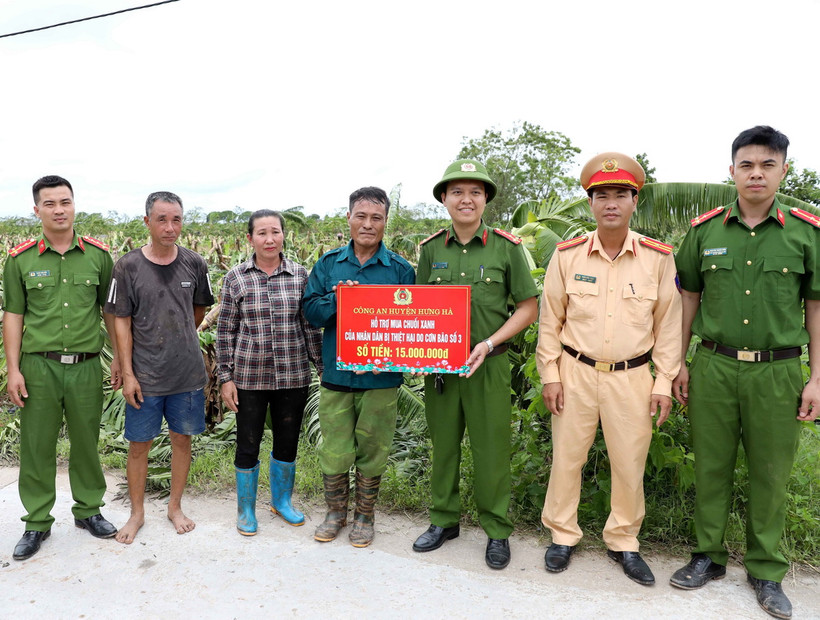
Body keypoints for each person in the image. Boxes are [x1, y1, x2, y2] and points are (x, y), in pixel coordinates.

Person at [670, 126, 819, 619]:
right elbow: (688, 299)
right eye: (747, 165)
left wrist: (817, 378)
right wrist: (678, 362)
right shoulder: (704, 232)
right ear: (731, 170)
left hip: (778, 372)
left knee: (771, 473)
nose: (757, 173)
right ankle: (708, 556)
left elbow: (816, 309)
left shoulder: (806, 233)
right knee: (710, 466)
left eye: (767, 165)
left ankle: (766, 569)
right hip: (713, 365)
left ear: (783, 170)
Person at [535, 153, 681, 585]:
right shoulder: (568, 256)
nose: (611, 203)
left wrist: (664, 381)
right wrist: (550, 375)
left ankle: (623, 540)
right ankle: (562, 534)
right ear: (591, 203)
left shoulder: (657, 258)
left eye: (620, 194)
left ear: (635, 201)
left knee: (629, 461)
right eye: (602, 195)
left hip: (633, 376)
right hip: (574, 371)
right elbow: (550, 320)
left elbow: (669, 325)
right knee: (567, 458)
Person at [412, 159, 539, 570]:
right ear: (444, 199)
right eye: (457, 192)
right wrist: (418, 353)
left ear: (485, 199)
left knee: (491, 450)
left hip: (490, 364)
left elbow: (528, 307)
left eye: (475, 192)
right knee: (444, 446)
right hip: (441, 370)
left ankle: (497, 530)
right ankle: (444, 520)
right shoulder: (431, 250)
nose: (466, 199)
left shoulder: (506, 247)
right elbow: (419, 309)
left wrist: (488, 343)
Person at [4, 175, 121, 561]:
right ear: (36, 210)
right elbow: (13, 315)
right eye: (50, 204)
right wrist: (14, 370)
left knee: (87, 440)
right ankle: (37, 521)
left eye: (65, 202)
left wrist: (120, 358)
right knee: (37, 444)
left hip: (85, 366)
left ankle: (88, 510)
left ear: (74, 205)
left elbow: (110, 312)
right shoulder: (20, 259)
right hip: (39, 367)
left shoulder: (98, 256)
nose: (59, 210)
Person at [303, 186, 415, 547]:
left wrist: (390, 356)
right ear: (349, 217)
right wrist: (338, 299)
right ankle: (335, 513)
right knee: (335, 448)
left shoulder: (400, 270)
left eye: (376, 218)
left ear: (385, 222)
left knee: (374, 447)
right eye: (361, 216)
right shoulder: (329, 264)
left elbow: (411, 326)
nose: (368, 224)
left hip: (381, 377)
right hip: (337, 374)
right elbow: (310, 312)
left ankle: (365, 517)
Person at [104, 191, 214, 544]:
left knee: (182, 440)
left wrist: (178, 338)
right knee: (139, 445)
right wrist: (128, 372)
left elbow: (197, 313)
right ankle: (137, 513)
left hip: (187, 374)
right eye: (162, 219)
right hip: (145, 376)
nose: (170, 227)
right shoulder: (128, 266)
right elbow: (120, 320)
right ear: (147, 222)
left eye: (176, 220)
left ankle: (175, 507)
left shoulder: (195, 263)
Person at [216, 209, 323, 535]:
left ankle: (281, 501)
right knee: (247, 442)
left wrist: (322, 368)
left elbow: (309, 327)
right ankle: (246, 509)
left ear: (283, 235)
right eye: (262, 233)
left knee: (287, 440)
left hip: (293, 374)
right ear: (250, 238)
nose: (269, 239)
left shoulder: (300, 275)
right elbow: (225, 331)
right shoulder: (236, 278)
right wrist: (225, 378)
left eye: (275, 232)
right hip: (249, 376)